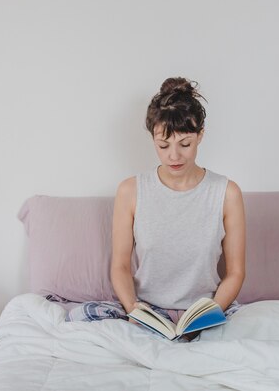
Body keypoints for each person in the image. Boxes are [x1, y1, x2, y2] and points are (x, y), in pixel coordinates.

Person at [64, 77, 245, 331]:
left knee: (259, 328)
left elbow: (235, 272)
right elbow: (120, 266)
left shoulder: (227, 193)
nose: (174, 155)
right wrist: (134, 309)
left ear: (200, 136)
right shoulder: (131, 191)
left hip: (206, 309)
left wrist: (211, 312)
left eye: (185, 144)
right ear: (153, 139)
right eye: (163, 145)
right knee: (76, 319)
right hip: (147, 310)